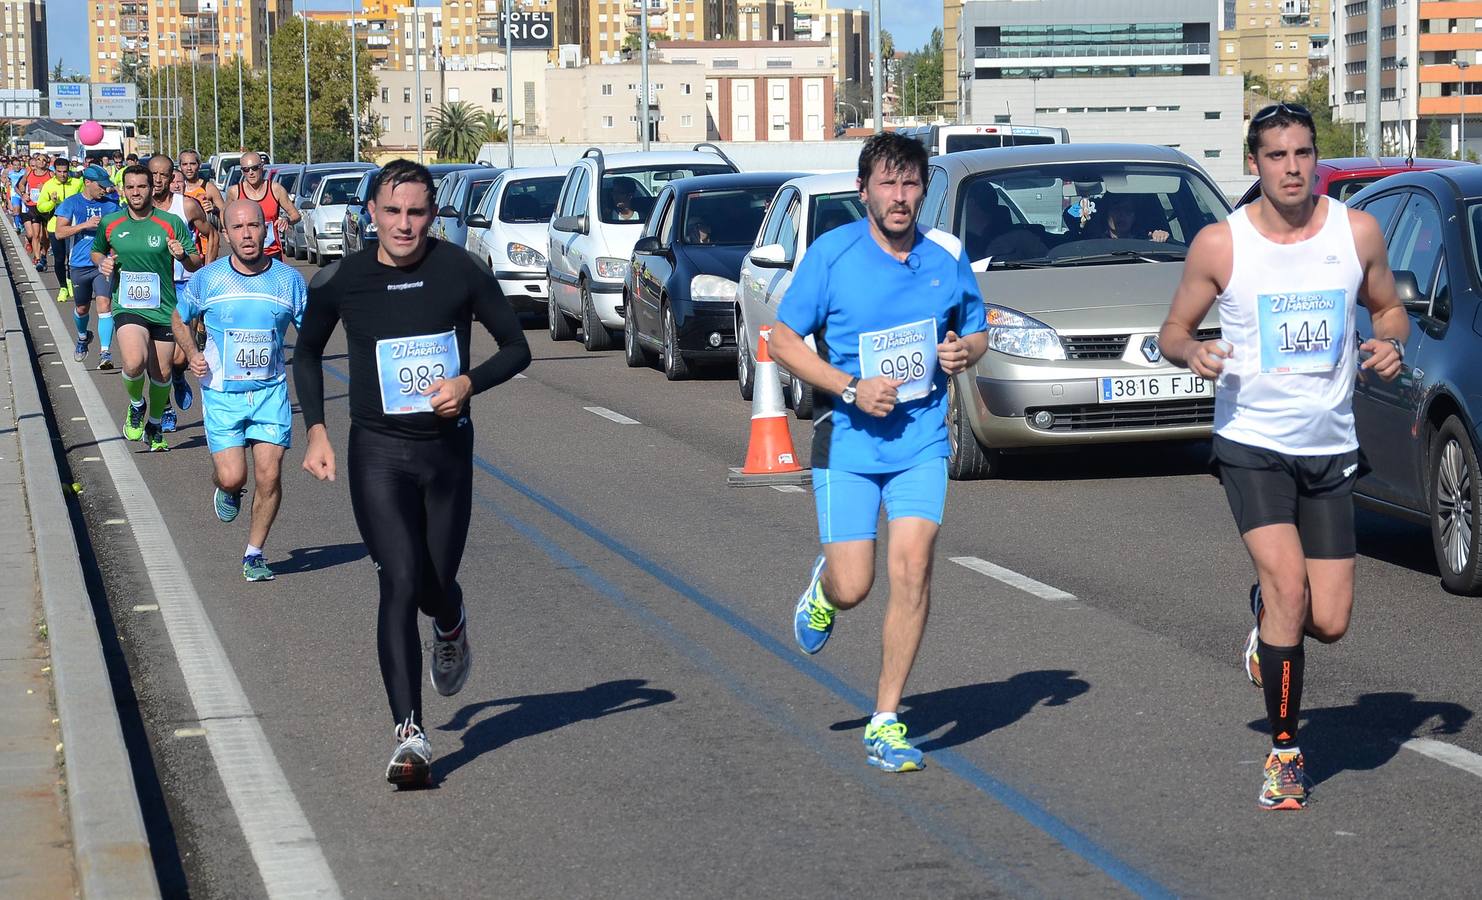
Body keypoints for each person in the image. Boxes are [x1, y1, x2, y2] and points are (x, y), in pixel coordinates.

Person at [1158, 102, 1409, 811]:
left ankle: (1266, 618)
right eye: (1276, 155)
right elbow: (1173, 329)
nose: (1292, 168)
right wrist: (1193, 350)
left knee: (1328, 620)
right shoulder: (1221, 245)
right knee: (1290, 590)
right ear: (1256, 163)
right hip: (1253, 445)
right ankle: (1286, 755)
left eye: (1302, 153)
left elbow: (1389, 308)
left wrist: (1391, 341)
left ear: (1316, 159)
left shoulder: (1356, 232)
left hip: (1330, 448)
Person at [293, 160, 531, 787]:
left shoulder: (459, 270)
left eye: (417, 212)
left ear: (433, 214)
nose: (404, 224)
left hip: (446, 451)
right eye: (392, 211)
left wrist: (467, 382)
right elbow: (309, 352)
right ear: (371, 211)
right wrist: (316, 429)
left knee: (433, 586)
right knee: (397, 581)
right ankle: (411, 734)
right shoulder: (341, 279)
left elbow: (517, 347)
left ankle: (450, 622)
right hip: (377, 452)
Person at [769, 132, 989, 774]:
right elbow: (783, 341)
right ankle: (825, 588)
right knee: (856, 585)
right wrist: (848, 386)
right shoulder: (832, 256)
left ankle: (886, 718)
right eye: (888, 184)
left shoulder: (945, 258)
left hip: (920, 441)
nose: (900, 197)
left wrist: (961, 353)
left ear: (925, 190)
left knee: (914, 567)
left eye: (911, 184)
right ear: (864, 190)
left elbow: (974, 331)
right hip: (848, 444)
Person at [172, 200, 307, 582]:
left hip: (270, 393)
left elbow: (310, 333)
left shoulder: (288, 280)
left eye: (254, 225)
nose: (247, 234)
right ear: (226, 233)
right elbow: (180, 318)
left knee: (270, 475)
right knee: (234, 476)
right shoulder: (209, 279)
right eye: (238, 227)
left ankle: (254, 553)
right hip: (222, 394)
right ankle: (226, 489)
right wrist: (192, 353)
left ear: (266, 229)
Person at [92, 164, 204, 452]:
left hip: (163, 308)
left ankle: (154, 425)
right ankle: (136, 405)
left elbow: (196, 261)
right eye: (130, 187)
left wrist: (182, 256)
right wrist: (101, 262)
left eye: (141, 186)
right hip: (127, 305)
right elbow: (98, 248)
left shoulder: (169, 222)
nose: (136, 192)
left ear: (151, 188)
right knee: (133, 362)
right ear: (123, 190)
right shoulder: (112, 223)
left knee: (162, 373)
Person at [147, 154, 215, 433]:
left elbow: (211, 234)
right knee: (156, 358)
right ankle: (164, 409)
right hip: (153, 289)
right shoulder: (137, 208)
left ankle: (178, 374)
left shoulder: (186, 205)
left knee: (177, 357)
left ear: (171, 176)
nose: (159, 180)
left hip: (184, 284)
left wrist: (207, 271)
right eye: (154, 174)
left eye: (164, 174)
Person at [54, 165, 122, 366]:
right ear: (88, 183)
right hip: (79, 265)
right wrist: (85, 225)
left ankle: (105, 353)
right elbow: (59, 233)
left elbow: (122, 229)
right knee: (82, 308)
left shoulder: (111, 205)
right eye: (101, 186)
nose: (104, 190)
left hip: (103, 264)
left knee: (104, 304)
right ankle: (83, 337)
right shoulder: (71, 203)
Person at [227, 151, 299, 260]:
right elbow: (224, 218)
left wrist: (286, 220)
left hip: (272, 253)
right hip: (246, 253)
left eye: (254, 168)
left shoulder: (275, 189)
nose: (251, 172)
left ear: (262, 167)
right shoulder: (235, 192)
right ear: (242, 172)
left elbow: (296, 215)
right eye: (246, 169)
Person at [37, 156, 84, 301]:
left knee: (73, 259)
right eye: (59, 171)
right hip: (55, 228)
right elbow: (41, 207)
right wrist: (52, 202)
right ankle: (63, 286)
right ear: (54, 171)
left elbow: (85, 200)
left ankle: (71, 283)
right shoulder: (49, 185)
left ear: (68, 170)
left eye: (65, 171)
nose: (62, 174)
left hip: (73, 227)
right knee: (59, 259)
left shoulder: (77, 183)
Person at [179, 149, 227, 257]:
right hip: (183, 247)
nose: (189, 168)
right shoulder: (176, 189)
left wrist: (214, 210)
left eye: (192, 164)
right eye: (185, 164)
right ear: (180, 167)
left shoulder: (208, 188)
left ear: (199, 165)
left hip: (206, 249)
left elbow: (226, 215)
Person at [1086, 192, 1171, 243]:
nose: (1122, 215)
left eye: (1127, 210)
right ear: (1106, 213)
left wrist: (1160, 237)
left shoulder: (1146, 241)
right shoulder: (1094, 244)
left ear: (1134, 215)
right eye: (1117, 209)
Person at [21, 155, 54, 269]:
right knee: (36, 234)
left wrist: (45, 187)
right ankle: (38, 258)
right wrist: (23, 194)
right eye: (39, 159)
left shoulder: (50, 174)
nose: (41, 162)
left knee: (45, 236)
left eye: (44, 160)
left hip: (46, 207)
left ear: (47, 163)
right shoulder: (30, 172)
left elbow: (56, 187)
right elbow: (21, 184)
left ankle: (44, 255)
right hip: (33, 206)